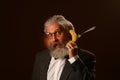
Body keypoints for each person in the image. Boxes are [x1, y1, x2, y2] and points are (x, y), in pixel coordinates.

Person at [32, 15, 96, 80]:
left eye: (58, 33)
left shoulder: (87, 57)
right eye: (50, 34)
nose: (54, 39)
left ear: (69, 33)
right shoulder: (40, 57)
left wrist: (74, 59)